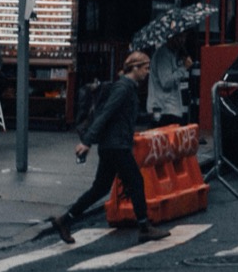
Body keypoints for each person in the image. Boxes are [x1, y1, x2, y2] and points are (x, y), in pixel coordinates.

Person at [50, 53, 172, 244]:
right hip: (116, 146)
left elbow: (121, 116)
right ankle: (144, 227)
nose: (147, 72)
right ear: (135, 68)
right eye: (146, 68)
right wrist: (87, 142)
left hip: (114, 145)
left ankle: (65, 220)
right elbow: (105, 114)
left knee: (100, 188)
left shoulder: (128, 88)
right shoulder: (123, 88)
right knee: (136, 181)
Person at [146, 35, 191, 126]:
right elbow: (166, 82)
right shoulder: (163, 55)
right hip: (163, 109)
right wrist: (183, 68)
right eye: (179, 36)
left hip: (170, 108)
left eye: (183, 36)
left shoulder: (172, 54)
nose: (182, 40)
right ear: (171, 37)